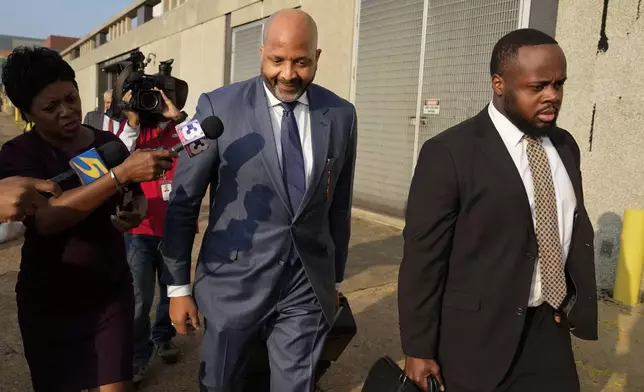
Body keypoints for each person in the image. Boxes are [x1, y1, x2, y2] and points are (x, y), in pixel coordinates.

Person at [162, 8, 357, 391]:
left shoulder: (341, 115)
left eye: (301, 62)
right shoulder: (213, 107)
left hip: (304, 286)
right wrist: (178, 288)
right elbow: (183, 200)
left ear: (317, 58)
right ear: (261, 51)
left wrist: (333, 279)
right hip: (232, 286)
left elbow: (340, 204)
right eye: (277, 60)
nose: (288, 74)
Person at [398, 28, 598, 392]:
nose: (552, 96)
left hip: (549, 327)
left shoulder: (565, 146)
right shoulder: (450, 153)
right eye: (537, 87)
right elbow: (423, 259)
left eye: (559, 84)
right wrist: (417, 347)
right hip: (476, 340)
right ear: (499, 84)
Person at [0, 46, 176, 392]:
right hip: (49, 302)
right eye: (50, 107)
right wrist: (118, 176)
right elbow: (47, 219)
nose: (67, 111)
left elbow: (135, 198)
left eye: (71, 97)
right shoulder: (18, 154)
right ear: (27, 113)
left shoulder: (107, 142)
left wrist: (132, 211)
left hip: (110, 293)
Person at [119, 87, 188, 383]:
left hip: (176, 229)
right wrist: (132, 120)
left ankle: (163, 337)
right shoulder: (133, 132)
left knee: (170, 292)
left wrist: (178, 116)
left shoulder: (179, 130)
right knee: (138, 299)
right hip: (140, 230)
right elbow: (118, 158)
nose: (155, 105)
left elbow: (206, 146)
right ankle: (137, 355)